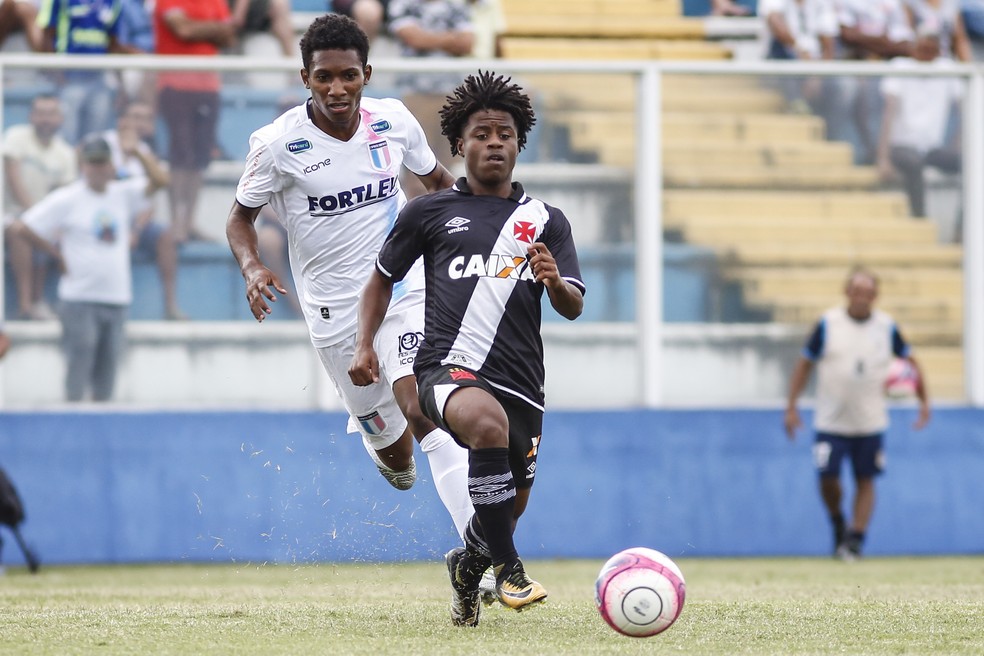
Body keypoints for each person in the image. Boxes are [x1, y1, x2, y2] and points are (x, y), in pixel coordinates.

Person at [349, 71, 586, 624]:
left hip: (522, 382)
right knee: (483, 425)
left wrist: (553, 283)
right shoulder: (429, 213)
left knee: (505, 507)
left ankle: (468, 565)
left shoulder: (547, 221)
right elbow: (382, 278)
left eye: (505, 133)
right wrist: (365, 346)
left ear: (519, 142)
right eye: (481, 134)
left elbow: (573, 304)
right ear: (459, 144)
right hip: (444, 369)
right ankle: (510, 574)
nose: (494, 142)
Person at [225, 14, 473, 539]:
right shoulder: (276, 145)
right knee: (398, 457)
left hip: (403, 288)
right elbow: (239, 217)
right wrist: (252, 267)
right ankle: (383, 442)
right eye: (324, 78)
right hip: (333, 312)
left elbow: (436, 182)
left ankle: (492, 553)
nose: (337, 89)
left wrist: (478, 226)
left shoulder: (395, 121)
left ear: (367, 73)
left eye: (349, 76)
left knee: (426, 412)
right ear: (305, 79)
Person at [783, 267, 930, 561]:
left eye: (868, 292)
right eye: (856, 290)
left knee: (866, 479)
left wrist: (923, 402)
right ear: (847, 292)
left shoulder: (886, 327)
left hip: (870, 421)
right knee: (828, 478)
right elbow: (804, 364)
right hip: (831, 420)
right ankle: (838, 521)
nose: (862, 297)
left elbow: (911, 362)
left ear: (875, 295)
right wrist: (792, 405)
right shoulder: (829, 324)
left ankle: (856, 539)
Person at [10, 133, 168, 402]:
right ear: (83, 166)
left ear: (111, 166)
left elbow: (161, 181)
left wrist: (138, 153)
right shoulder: (68, 198)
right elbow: (22, 227)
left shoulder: (123, 193)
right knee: (78, 369)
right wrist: (55, 252)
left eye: (101, 163)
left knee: (107, 375)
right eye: (91, 163)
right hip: (79, 298)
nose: (96, 169)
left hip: (116, 297)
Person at [154, 0, 237, 243]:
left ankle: (188, 221)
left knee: (200, 157)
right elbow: (184, 30)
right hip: (175, 83)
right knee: (180, 154)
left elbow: (229, 37)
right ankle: (176, 222)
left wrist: (198, 29)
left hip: (208, 84)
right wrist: (214, 30)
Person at [102, 101, 187, 320]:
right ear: (122, 121)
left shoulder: (146, 152)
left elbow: (154, 193)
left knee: (165, 236)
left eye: (147, 118)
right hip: (104, 218)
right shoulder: (103, 144)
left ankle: (170, 306)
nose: (142, 123)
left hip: (135, 223)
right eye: (136, 117)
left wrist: (137, 230)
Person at [387, 0, 475, 197]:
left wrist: (428, 38)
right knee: (415, 163)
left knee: (447, 162)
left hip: (451, 94)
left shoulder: (456, 4)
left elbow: (467, 43)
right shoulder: (403, 4)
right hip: (415, 92)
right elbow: (414, 39)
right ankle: (415, 214)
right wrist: (451, 39)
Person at [3, 93, 77, 320]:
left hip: (41, 217)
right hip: (8, 212)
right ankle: (26, 304)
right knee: (20, 231)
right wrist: (36, 218)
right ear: (31, 116)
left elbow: (63, 196)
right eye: (41, 113)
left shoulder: (65, 153)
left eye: (51, 113)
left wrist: (45, 222)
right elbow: (14, 180)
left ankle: (39, 300)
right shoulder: (16, 137)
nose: (46, 119)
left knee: (50, 233)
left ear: (60, 119)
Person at [876, 29, 963, 218]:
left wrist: (957, 143)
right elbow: (888, 114)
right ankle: (920, 219)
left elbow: (966, 110)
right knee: (914, 164)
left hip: (932, 148)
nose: (926, 55)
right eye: (923, 49)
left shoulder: (948, 69)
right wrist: (883, 158)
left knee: (971, 164)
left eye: (932, 50)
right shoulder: (900, 67)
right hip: (902, 146)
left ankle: (963, 228)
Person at [36, 0, 141, 144]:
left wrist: (121, 84)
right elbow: (48, 34)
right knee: (67, 136)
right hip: (70, 78)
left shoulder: (113, 3)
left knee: (95, 138)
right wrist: (56, 73)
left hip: (98, 78)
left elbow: (113, 44)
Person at [760, 0, 838, 112]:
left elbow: (828, 44)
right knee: (788, 71)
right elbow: (776, 24)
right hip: (783, 62)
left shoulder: (822, 3)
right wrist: (800, 52)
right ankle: (798, 111)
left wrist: (818, 75)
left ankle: (830, 126)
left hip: (816, 64)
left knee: (843, 86)